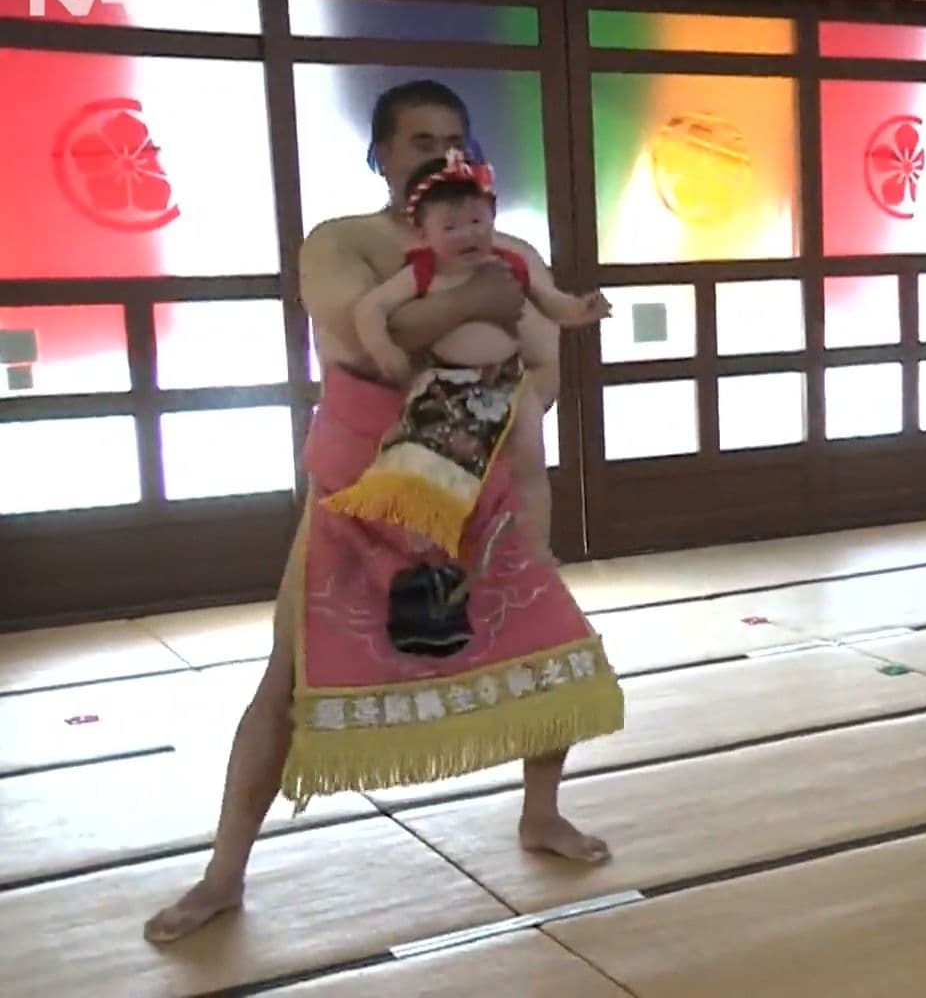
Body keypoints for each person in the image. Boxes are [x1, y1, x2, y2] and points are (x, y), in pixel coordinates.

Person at [143, 80, 625, 945]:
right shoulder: (344, 242)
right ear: (381, 156)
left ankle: (541, 812)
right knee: (288, 676)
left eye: (453, 139)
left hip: (484, 482)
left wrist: (490, 408)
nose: (439, 153)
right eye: (418, 141)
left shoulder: (509, 249)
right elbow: (354, 334)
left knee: (549, 649)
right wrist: (471, 310)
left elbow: (544, 364)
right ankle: (223, 874)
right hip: (360, 488)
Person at [327, 149, 610, 563]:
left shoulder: (510, 262)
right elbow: (370, 308)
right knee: (426, 468)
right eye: (450, 226)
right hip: (447, 383)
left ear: (493, 218)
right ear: (422, 233)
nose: (467, 234)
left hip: (511, 382)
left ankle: (536, 547)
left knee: (531, 468)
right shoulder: (423, 272)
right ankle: (428, 547)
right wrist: (383, 349)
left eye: (477, 221)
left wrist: (579, 310)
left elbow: (551, 302)